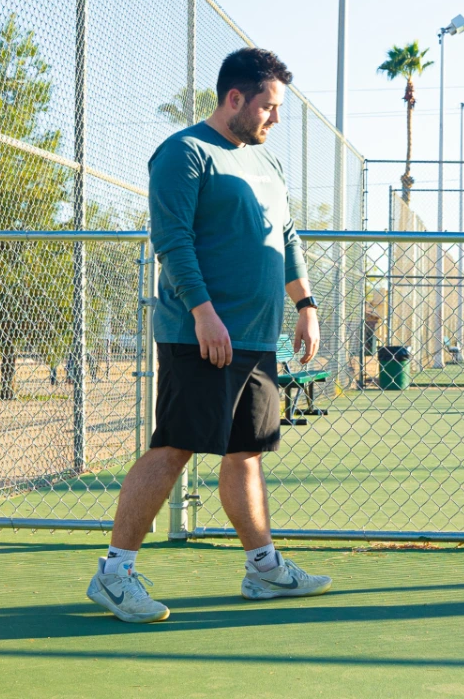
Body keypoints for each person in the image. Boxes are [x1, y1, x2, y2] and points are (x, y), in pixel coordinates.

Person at [86, 48, 329, 624]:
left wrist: (306, 304)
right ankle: (114, 574)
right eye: (267, 107)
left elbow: (287, 236)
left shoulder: (266, 165)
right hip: (200, 335)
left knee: (246, 454)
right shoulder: (183, 153)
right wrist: (202, 312)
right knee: (174, 447)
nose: (273, 119)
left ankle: (264, 570)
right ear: (234, 98)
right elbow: (171, 241)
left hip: (254, 336)